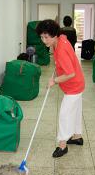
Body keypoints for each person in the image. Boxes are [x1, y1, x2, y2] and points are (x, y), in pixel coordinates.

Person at [36, 19, 85, 158]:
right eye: (41, 37)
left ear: (54, 34)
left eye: (46, 37)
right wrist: (57, 69)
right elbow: (62, 62)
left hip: (74, 86)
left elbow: (70, 73)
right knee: (75, 111)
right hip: (78, 83)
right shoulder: (61, 39)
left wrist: (54, 81)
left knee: (64, 114)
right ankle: (77, 136)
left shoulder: (61, 47)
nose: (44, 40)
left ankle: (62, 145)